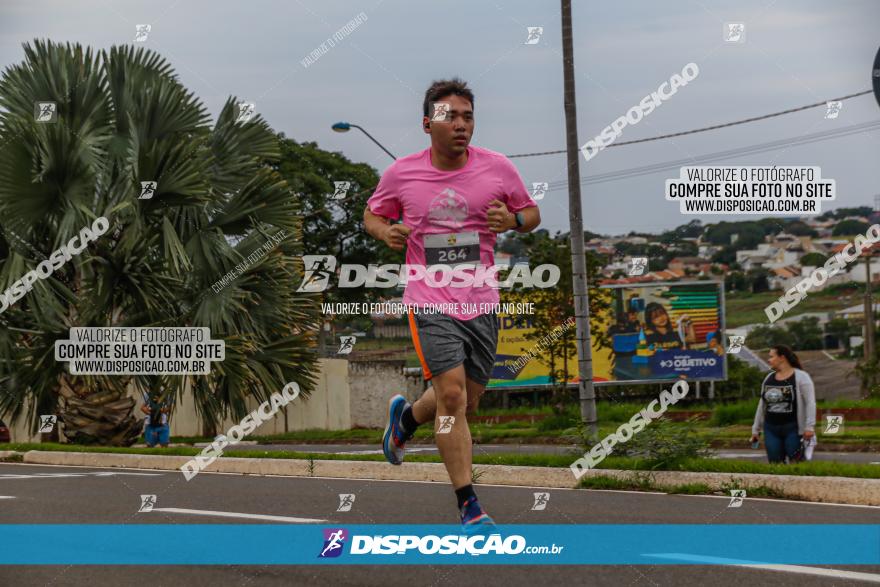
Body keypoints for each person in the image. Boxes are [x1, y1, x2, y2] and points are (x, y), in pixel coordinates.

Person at [363, 78, 541, 531]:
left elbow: (532, 214)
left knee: (468, 401)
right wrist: (386, 233)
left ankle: (405, 418)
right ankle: (469, 504)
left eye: (467, 116)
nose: (461, 125)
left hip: (480, 298)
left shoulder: (497, 168)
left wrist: (513, 219)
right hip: (428, 298)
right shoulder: (402, 173)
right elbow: (373, 215)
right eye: (450, 116)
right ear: (427, 124)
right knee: (452, 396)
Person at [750, 345, 816, 463]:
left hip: (793, 428)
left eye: (771, 356)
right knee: (775, 462)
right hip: (771, 427)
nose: (769, 360)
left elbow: (810, 403)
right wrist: (756, 429)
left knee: (796, 460)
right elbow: (762, 404)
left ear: (782, 358)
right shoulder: (769, 378)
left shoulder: (801, 377)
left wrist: (809, 427)